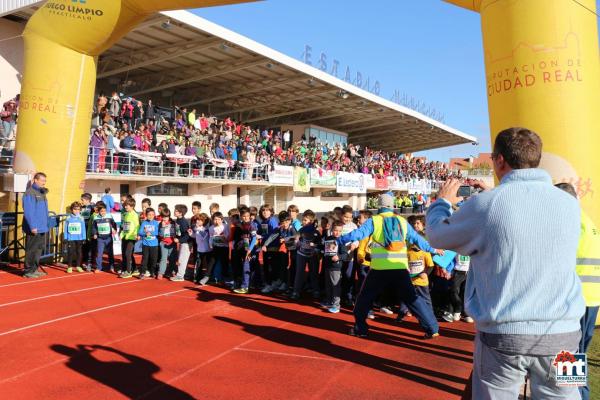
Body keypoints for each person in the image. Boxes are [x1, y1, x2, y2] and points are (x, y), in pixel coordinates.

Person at [426, 127, 585, 400]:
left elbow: (437, 234)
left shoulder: (486, 204)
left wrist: (442, 202)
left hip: (504, 335)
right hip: (566, 334)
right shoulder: (570, 204)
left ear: (500, 161)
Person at [339, 193, 441, 339]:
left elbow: (357, 234)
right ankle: (432, 328)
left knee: (364, 299)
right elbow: (418, 239)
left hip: (379, 269)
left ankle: (360, 328)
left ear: (379, 206)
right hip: (400, 268)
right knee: (413, 299)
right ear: (392, 205)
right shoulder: (402, 221)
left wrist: (340, 240)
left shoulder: (374, 221)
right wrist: (433, 249)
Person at [555, 182, 600, 400]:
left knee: (569, 355)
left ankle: (574, 396)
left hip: (576, 299)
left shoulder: (570, 222)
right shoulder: (586, 221)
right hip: (591, 298)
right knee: (576, 353)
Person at [22, 172, 50, 278]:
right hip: (34, 228)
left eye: (45, 181)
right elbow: (29, 211)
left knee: (38, 249)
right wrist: (33, 226)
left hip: (42, 227)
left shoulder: (42, 193)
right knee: (31, 249)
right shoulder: (30, 192)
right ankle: (28, 271)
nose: (44, 182)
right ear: (35, 180)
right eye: (42, 180)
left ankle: (34, 269)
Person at [321, 221, 349, 314]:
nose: (337, 232)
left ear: (342, 232)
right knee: (328, 285)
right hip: (327, 266)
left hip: (336, 267)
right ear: (332, 230)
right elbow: (324, 249)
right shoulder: (328, 239)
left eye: (339, 231)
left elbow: (345, 255)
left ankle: (336, 305)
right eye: (335, 230)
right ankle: (329, 301)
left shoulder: (341, 241)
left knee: (335, 286)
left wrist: (338, 257)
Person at [231, 207, 257, 294]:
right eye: (244, 216)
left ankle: (245, 287)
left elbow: (254, 238)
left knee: (246, 266)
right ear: (241, 216)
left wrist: (249, 249)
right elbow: (236, 238)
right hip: (239, 249)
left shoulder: (252, 225)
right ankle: (239, 283)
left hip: (248, 250)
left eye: (247, 216)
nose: (246, 218)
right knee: (238, 266)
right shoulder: (239, 225)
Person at [91, 204, 117, 273]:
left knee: (110, 253)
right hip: (100, 239)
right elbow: (94, 227)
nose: (103, 212)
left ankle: (111, 267)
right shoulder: (96, 218)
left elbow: (114, 224)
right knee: (99, 253)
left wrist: (114, 229)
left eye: (104, 211)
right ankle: (99, 267)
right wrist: (94, 234)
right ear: (99, 211)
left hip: (108, 238)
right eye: (101, 211)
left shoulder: (109, 216)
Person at [63, 201, 86, 274]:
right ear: (71, 209)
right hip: (71, 238)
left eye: (78, 209)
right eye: (75, 209)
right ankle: (69, 266)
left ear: (80, 210)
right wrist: (65, 237)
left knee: (79, 252)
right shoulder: (68, 218)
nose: (76, 211)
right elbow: (66, 228)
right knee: (70, 252)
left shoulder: (81, 218)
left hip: (79, 238)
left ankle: (78, 266)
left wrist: (84, 238)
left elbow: (83, 229)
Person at [137, 208, 160, 279]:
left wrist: (151, 233)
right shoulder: (144, 223)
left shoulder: (156, 223)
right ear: (146, 215)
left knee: (154, 259)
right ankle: (143, 272)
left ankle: (152, 272)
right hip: (145, 244)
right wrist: (145, 233)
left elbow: (158, 232)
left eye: (152, 214)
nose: (151, 216)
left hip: (154, 245)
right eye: (149, 215)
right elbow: (140, 232)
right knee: (145, 259)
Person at [119, 198, 139, 277]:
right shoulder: (126, 214)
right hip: (125, 237)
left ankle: (128, 271)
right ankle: (132, 269)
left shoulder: (135, 215)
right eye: (125, 206)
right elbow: (125, 226)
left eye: (127, 206)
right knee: (125, 254)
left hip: (131, 238)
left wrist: (135, 234)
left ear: (132, 206)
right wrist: (121, 235)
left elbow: (137, 226)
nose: (125, 207)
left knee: (128, 254)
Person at [157, 209, 179, 279]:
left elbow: (177, 232)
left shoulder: (173, 223)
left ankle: (172, 271)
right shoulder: (160, 224)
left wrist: (177, 235)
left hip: (172, 243)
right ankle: (161, 272)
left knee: (172, 258)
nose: (165, 219)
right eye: (163, 217)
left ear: (169, 216)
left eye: (166, 217)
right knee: (163, 258)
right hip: (164, 243)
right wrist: (163, 227)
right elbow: (160, 234)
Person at [172, 204, 191, 282]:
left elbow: (187, 235)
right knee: (180, 259)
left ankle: (180, 276)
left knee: (182, 260)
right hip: (182, 243)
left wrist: (179, 240)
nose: (174, 212)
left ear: (181, 213)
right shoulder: (178, 220)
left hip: (186, 244)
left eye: (176, 211)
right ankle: (180, 274)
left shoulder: (183, 222)